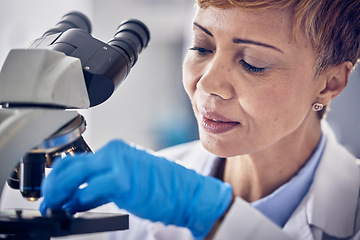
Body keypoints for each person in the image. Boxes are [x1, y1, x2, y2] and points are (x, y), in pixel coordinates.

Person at [40, 0, 360, 239]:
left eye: (253, 64)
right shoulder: (141, 199)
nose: (207, 84)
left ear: (329, 83)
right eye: (202, 47)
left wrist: (213, 215)